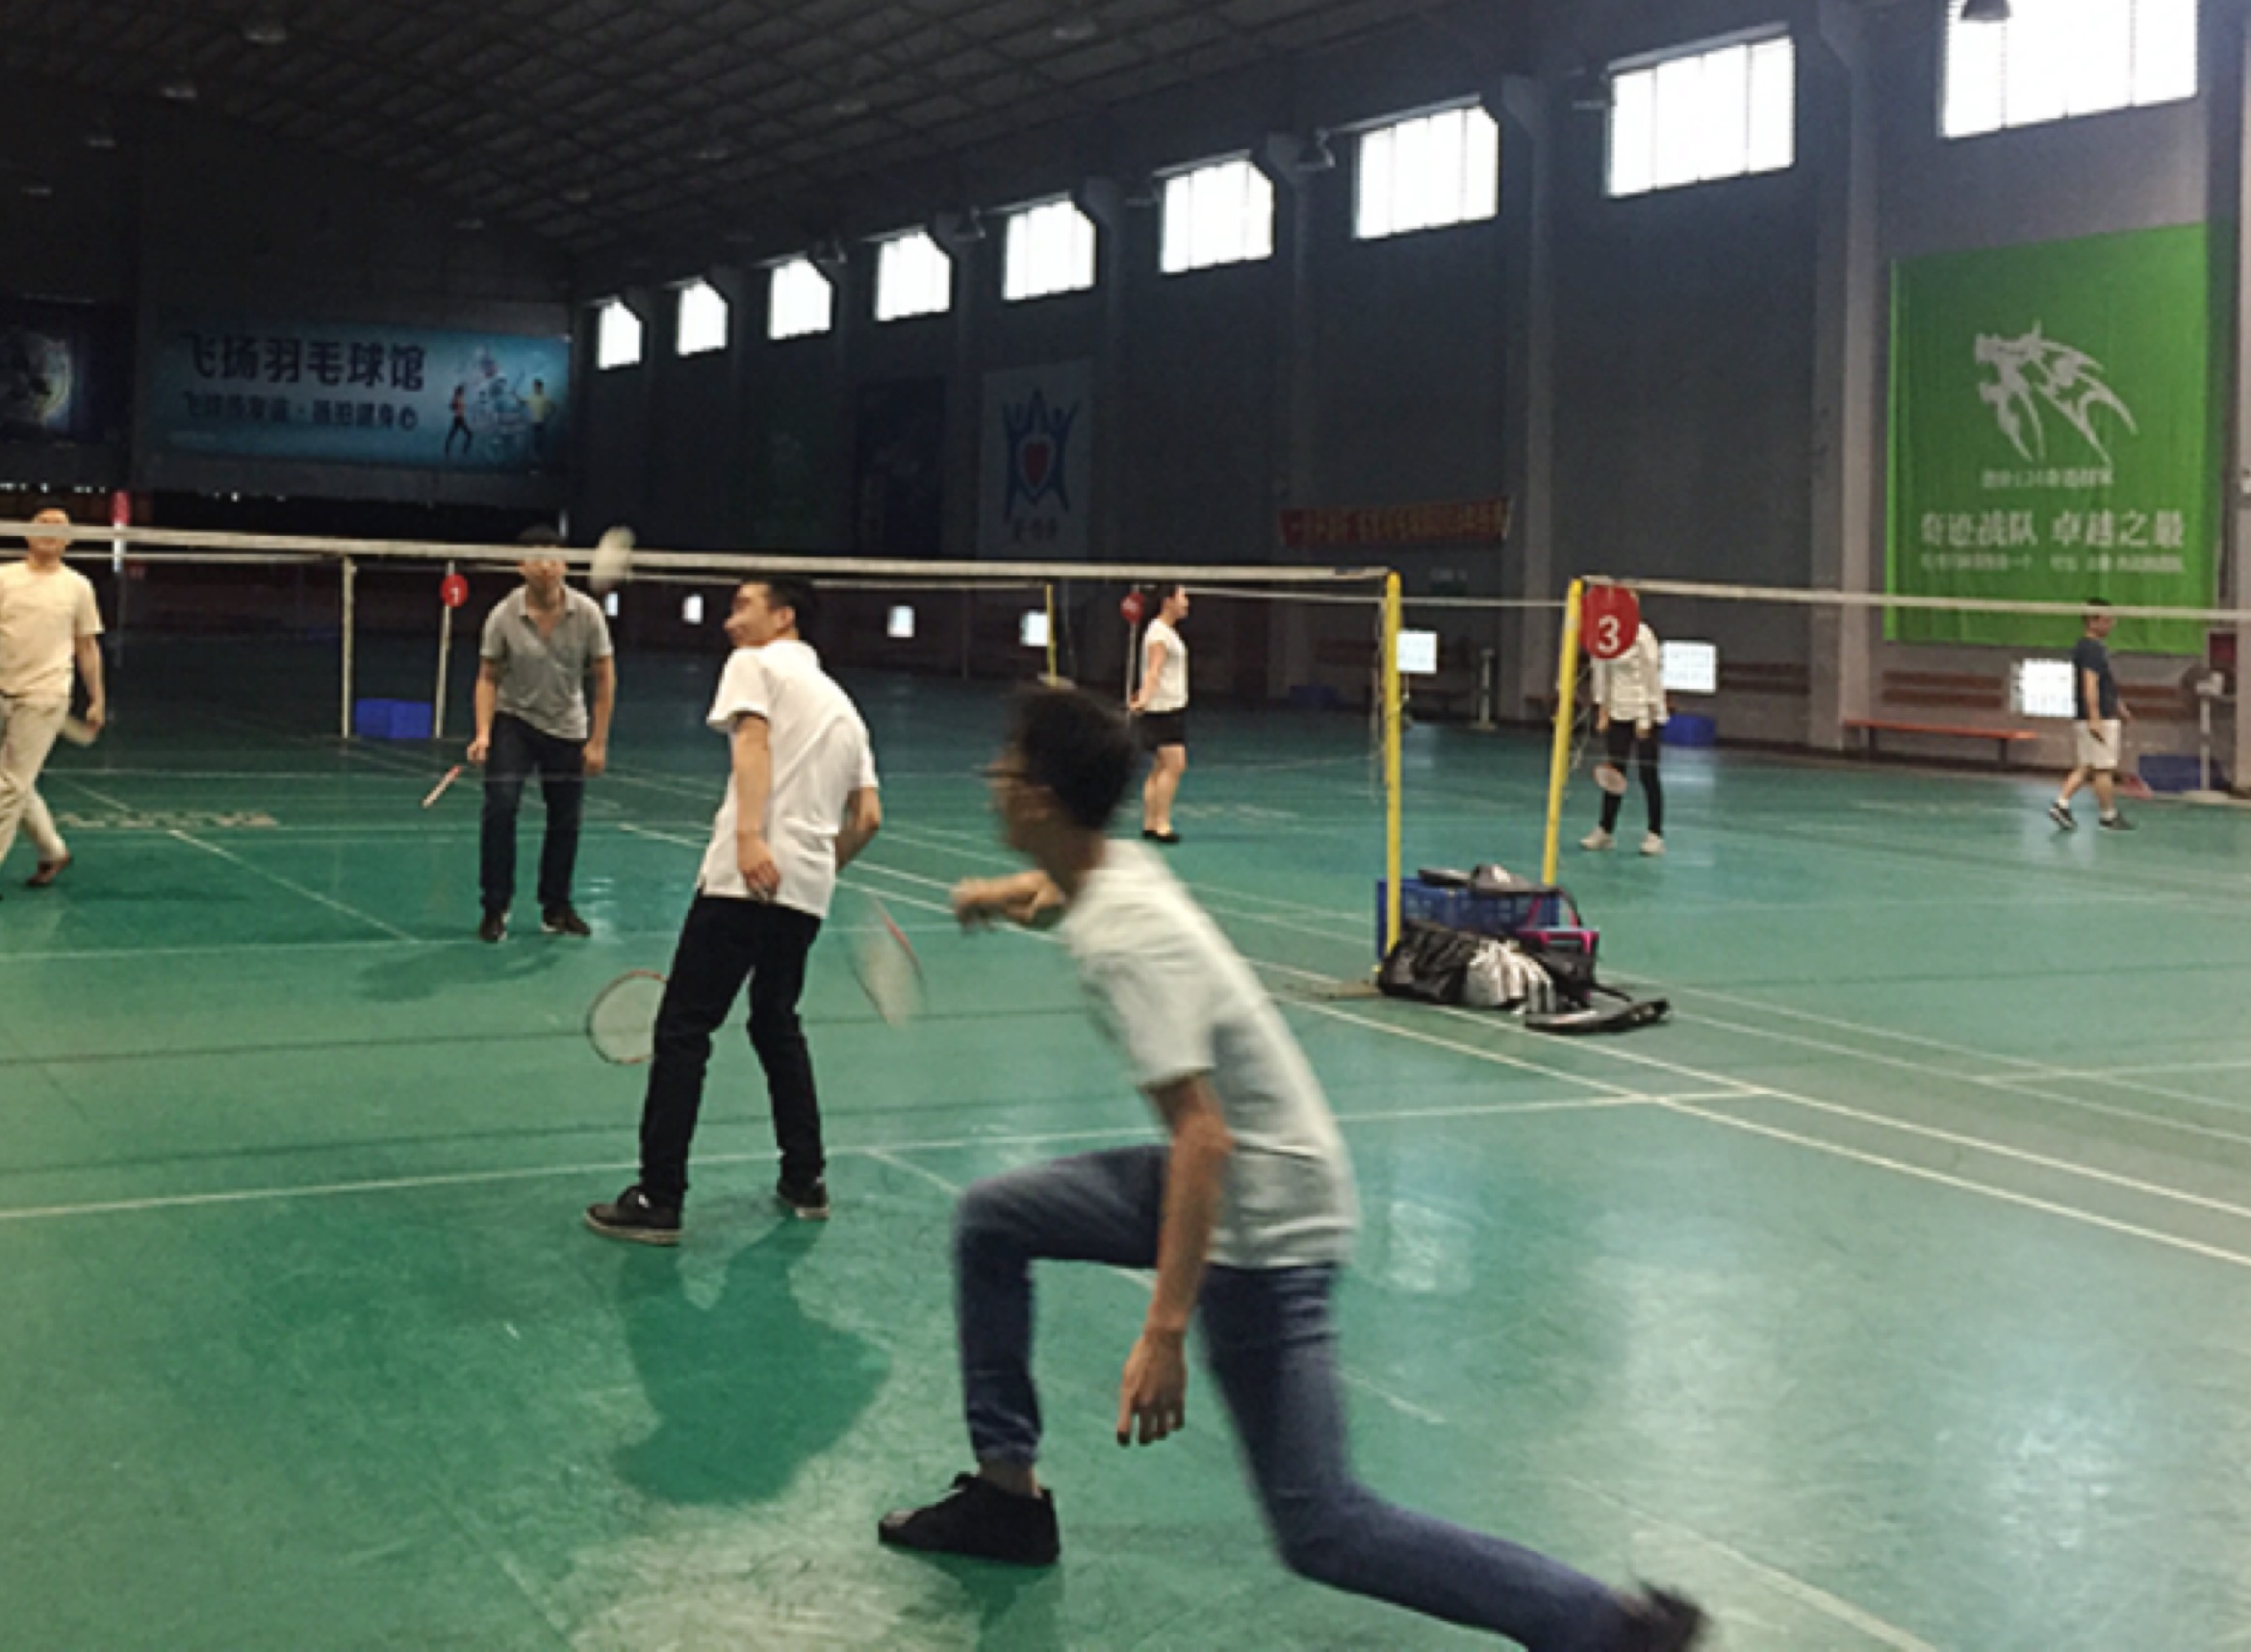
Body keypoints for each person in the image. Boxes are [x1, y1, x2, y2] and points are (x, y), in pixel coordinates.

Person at [882, 686, 1704, 1652]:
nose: (992, 779)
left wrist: (1163, 1332)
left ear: (1039, 798)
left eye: (1007, 767)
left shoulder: (1123, 946)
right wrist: (997, 897)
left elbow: (1204, 1140)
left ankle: (1606, 1627)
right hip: (1248, 1174)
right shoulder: (1113, 871)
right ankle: (1006, 1497)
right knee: (993, 1218)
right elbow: (1058, 894)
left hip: (1265, 1218)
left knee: (1321, 1526)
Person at [586, 576, 879, 1247]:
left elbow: (753, 744)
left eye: (743, 606)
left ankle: (659, 1198)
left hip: (741, 881)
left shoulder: (755, 665)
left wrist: (750, 838)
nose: (728, 621)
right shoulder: (845, 708)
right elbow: (868, 818)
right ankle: (805, 1178)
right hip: (804, 892)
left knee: (684, 1029)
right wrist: (818, 867)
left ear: (784, 616)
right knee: (776, 1023)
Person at [469, 528, 616, 941]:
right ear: (521, 565)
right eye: (536, 557)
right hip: (514, 720)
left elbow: (605, 678)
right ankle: (495, 907)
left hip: (567, 725)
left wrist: (598, 741)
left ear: (565, 564)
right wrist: (483, 732)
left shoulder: (587, 614)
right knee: (500, 807)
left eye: (554, 558)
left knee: (565, 819)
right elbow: (487, 676)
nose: (546, 566)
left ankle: (557, 907)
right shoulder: (503, 615)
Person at [0, 505, 105, 902]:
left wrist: (96, 698)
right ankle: (53, 851)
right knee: (8, 783)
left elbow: (87, 646)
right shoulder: (0, 576)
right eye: (43, 524)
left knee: (10, 785)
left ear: (69, 540)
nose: (51, 530)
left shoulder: (78, 587)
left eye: (60, 526)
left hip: (45, 696)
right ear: (26, 533)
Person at [1580, 609, 1666, 856]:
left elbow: (1650, 677)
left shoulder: (1643, 635)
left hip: (1645, 712)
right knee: (1613, 774)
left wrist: (1646, 717)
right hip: (1618, 711)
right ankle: (1605, 830)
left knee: (1648, 774)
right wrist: (1603, 708)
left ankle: (1655, 834)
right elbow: (1601, 672)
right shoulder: (1605, 634)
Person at [2051, 599, 2132, 831]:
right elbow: (2090, 683)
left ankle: (2061, 804)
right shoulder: (2092, 649)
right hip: (2098, 717)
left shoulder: (2088, 647)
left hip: (2095, 714)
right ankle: (2108, 815)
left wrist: (2119, 706)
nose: (2111, 624)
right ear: (2092, 621)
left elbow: (2105, 684)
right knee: (2103, 769)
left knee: (2086, 766)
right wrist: (2095, 717)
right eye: (2106, 620)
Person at [1128, 582, 1189, 843]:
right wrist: (1144, 697)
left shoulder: (1163, 631)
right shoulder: (1159, 635)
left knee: (1160, 766)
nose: (1187, 603)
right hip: (1164, 710)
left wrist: (1142, 696)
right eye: (1183, 597)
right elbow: (1154, 670)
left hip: (1165, 707)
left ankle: (1150, 823)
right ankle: (1162, 824)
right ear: (1168, 602)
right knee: (1175, 765)